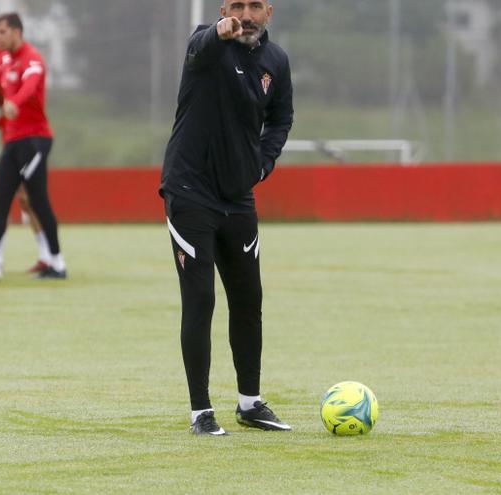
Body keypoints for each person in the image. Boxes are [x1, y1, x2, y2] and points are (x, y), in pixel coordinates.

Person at [161, 0, 294, 435]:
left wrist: (263, 163)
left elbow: (280, 118)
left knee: (248, 300)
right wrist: (220, 31)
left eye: (255, 6)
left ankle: (250, 403)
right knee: (200, 300)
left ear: (269, 12)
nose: (246, 14)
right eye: (237, 5)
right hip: (189, 191)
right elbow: (201, 47)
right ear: (224, 10)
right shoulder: (207, 42)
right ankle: (201, 411)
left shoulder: (276, 60)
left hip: (238, 196)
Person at [0, 13, 66, 280]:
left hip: (34, 140)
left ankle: (57, 263)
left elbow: (30, 87)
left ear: (16, 32)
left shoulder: (32, 58)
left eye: (0, 32)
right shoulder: (5, 60)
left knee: (37, 199)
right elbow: (7, 102)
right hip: (13, 139)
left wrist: (16, 103)